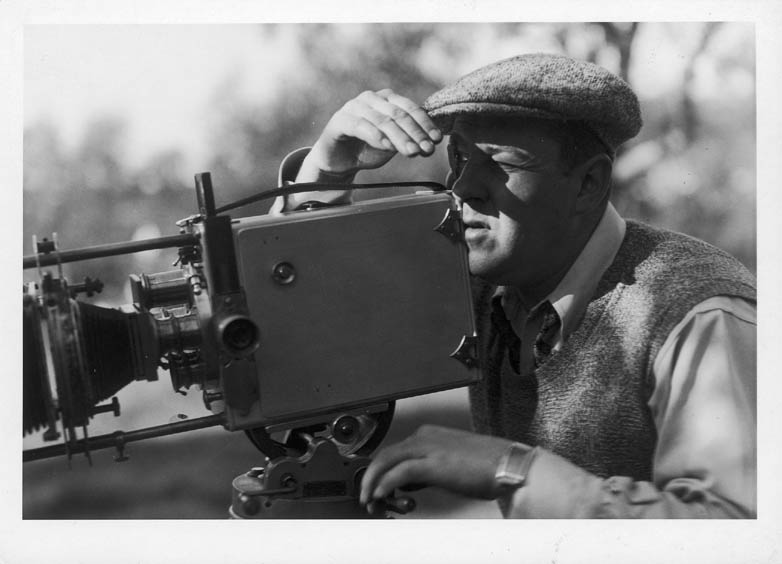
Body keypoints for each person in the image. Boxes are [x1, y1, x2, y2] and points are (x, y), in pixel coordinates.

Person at [272, 53, 757, 518]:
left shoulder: (695, 309)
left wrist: (510, 470)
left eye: (498, 164)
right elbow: (302, 334)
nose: (462, 188)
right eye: (459, 158)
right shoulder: (475, 280)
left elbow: (733, 527)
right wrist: (326, 174)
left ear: (588, 184)